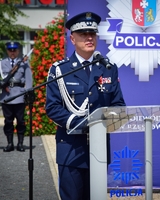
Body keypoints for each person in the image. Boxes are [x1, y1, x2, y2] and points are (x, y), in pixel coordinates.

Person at [45, 12, 126, 200]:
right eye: (83, 34)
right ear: (72, 39)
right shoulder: (60, 70)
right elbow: (53, 108)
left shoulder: (107, 68)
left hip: (98, 149)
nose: (89, 37)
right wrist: (83, 123)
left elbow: (118, 104)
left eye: (92, 33)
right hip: (71, 150)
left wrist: (111, 118)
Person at [0, 41, 33, 152]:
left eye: (15, 50)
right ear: (7, 51)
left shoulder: (23, 63)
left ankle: (20, 144)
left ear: (18, 51)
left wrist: (27, 92)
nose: (13, 52)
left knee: (20, 121)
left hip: (19, 96)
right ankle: (10, 143)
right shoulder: (1, 63)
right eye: (10, 50)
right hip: (6, 96)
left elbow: (28, 79)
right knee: (8, 121)